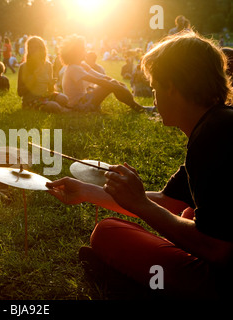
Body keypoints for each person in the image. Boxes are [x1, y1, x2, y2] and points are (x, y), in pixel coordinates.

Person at [46, 31, 233, 299]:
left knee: (107, 232)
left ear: (171, 86)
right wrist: (88, 192)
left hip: (219, 279)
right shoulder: (218, 123)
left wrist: (140, 205)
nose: (154, 96)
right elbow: (170, 201)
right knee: (187, 212)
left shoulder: (213, 134)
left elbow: (218, 249)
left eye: (155, 87)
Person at [59, 35, 146, 112]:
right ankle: (138, 107)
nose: (85, 51)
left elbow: (100, 76)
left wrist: (117, 82)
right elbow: (99, 81)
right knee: (111, 85)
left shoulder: (81, 65)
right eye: (83, 49)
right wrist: (118, 87)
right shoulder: (74, 68)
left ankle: (137, 106)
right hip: (78, 106)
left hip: (83, 101)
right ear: (77, 53)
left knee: (112, 84)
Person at [17, 36, 69, 113]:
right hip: (30, 100)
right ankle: (68, 111)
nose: (33, 50)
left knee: (64, 98)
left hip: (45, 96)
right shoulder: (23, 67)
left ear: (42, 49)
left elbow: (50, 90)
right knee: (53, 106)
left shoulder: (48, 65)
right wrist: (34, 77)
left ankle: (66, 109)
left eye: (36, 47)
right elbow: (20, 92)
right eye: (31, 47)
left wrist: (51, 84)